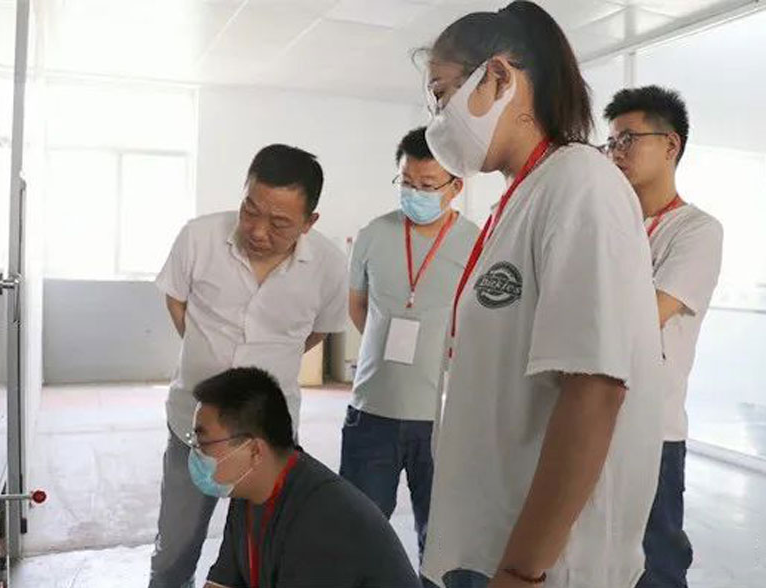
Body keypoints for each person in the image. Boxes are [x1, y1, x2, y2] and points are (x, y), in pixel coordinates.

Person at [418, 3, 665, 587]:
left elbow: (595, 389)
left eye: (442, 95)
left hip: (545, 563)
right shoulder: (523, 194)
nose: (438, 120)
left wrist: (523, 568)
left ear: (498, 78)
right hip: (493, 540)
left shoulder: (580, 183)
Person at [150, 144, 348, 587]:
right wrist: (205, 352)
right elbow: (176, 301)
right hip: (193, 427)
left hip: (268, 439)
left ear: (309, 221)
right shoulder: (199, 237)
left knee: (264, 551)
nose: (258, 231)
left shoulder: (329, 266)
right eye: (250, 210)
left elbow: (317, 332)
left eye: (279, 223)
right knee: (175, 550)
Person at [604, 86, 723, 588]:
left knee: (654, 568)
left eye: (628, 139)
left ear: (671, 145)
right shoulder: (609, 225)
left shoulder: (696, 230)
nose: (616, 152)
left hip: (652, 433)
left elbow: (644, 315)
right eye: (611, 142)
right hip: (590, 421)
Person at [342, 127, 479, 559]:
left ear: (455, 187)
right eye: (406, 182)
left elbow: (479, 322)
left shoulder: (476, 243)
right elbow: (358, 306)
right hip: (372, 409)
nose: (415, 193)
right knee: (359, 532)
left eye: (427, 185)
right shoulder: (373, 234)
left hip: (442, 417)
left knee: (441, 539)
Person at [188, 367, 422, 588]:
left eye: (204, 443)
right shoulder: (247, 492)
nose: (196, 452)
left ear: (254, 451)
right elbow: (223, 581)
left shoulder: (323, 517)